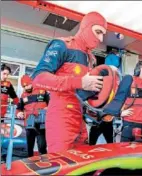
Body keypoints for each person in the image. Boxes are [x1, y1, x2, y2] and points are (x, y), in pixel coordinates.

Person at [31, 12, 107, 153]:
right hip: (61, 115)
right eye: (98, 32)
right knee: (61, 165)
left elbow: (85, 93)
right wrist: (79, 82)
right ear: (86, 27)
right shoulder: (62, 45)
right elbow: (38, 78)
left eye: (103, 34)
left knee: (81, 165)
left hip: (80, 117)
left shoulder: (91, 58)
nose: (100, 38)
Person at [16, 75, 49, 157]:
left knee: (42, 146)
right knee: (29, 147)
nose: (26, 87)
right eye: (24, 86)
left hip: (41, 123)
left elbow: (52, 103)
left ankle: (44, 164)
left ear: (31, 82)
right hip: (29, 124)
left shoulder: (42, 90)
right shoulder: (23, 96)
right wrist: (18, 113)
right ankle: (29, 164)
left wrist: (48, 108)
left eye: (27, 85)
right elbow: (18, 108)